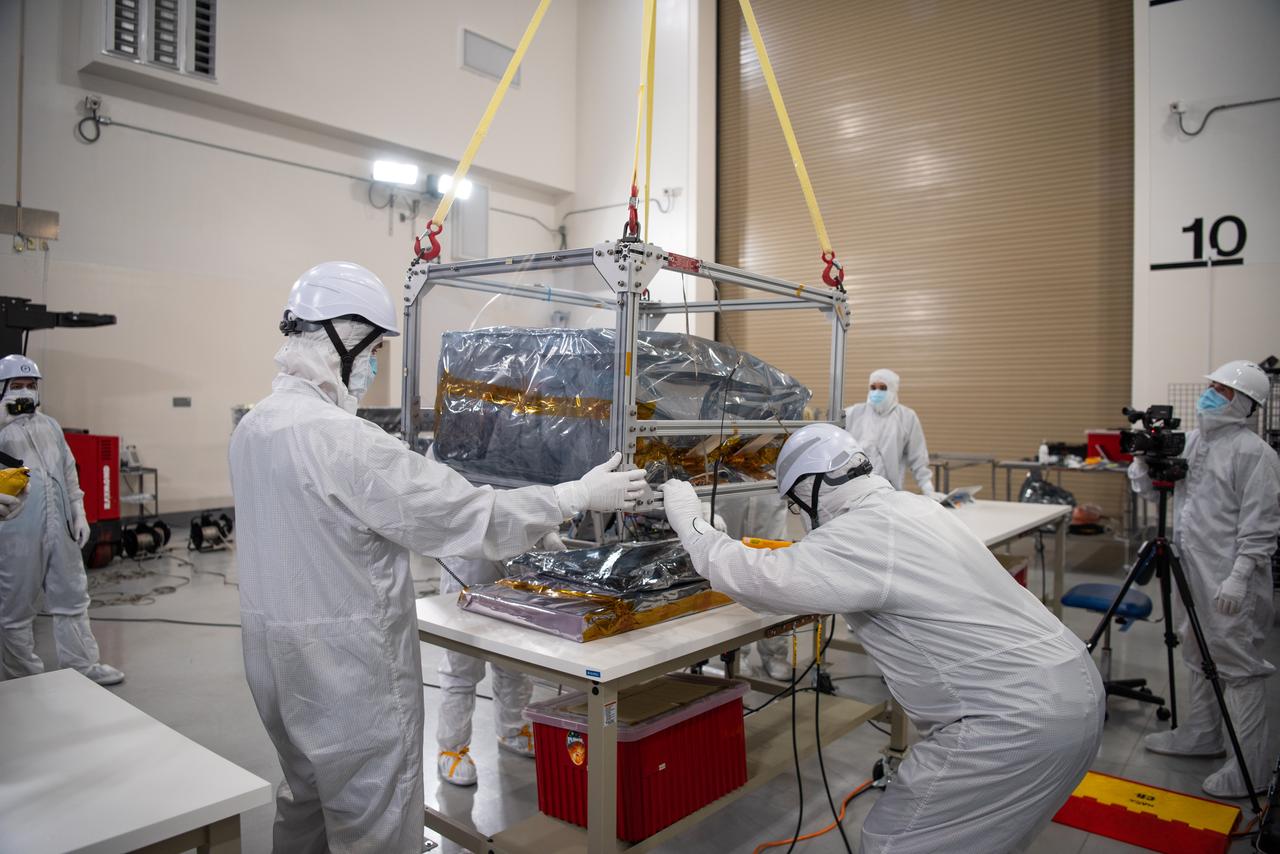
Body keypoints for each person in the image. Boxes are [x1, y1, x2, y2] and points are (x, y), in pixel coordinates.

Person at [229, 261, 648, 853]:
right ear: (341, 341)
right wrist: (575, 496)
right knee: (373, 821)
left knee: (305, 800)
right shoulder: (342, 440)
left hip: (278, 664)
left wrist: (533, 524)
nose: (374, 366)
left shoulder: (256, 427)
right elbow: (466, 514)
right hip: (348, 673)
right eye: (372, 349)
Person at [661, 423, 1104, 853]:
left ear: (811, 488)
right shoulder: (916, 508)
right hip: (1072, 686)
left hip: (1010, 720)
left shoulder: (859, 536)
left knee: (894, 841)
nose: (801, 514)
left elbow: (756, 580)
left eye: (797, 504)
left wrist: (692, 524)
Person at [1129, 360, 1280, 799]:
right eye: (1210, 387)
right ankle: (1202, 734)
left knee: (1238, 669)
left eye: (1221, 390)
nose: (1210, 395)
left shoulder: (1255, 454)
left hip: (1231, 579)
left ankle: (1250, 768)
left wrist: (1240, 575)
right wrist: (1142, 459)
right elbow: (1156, 489)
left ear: (1244, 403)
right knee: (1196, 651)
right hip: (1192, 570)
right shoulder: (1195, 442)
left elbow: (1262, 524)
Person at [0, 354, 125, 685]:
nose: (24, 392)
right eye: (16, 386)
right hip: (16, 529)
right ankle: (22, 676)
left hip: (60, 526)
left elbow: (69, 473)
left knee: (72, 595)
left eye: (30, 385)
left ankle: (82, 666)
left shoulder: (50, 426)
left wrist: (78, 511)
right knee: (14, 604)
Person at [434, 552, 551, 786]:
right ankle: (451, 750)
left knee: (514, 663)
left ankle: (513, 730)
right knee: (462, 668)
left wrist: (547, 531)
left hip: (517, 568)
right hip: (468, 567)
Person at [716, 493, 794, 679]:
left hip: (769, 496)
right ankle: (738, 653)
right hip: (729, 500)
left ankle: (775, 653)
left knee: (775, 577)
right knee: (733, 575)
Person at [844, 368, 941, 498]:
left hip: (889, 491)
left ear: (893, 390)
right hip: (855, 490)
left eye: (883, 388)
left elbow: (918, 456)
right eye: (873, 387)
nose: (876, 392)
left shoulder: (906, 417)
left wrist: (927, 487)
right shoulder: (853, 413)